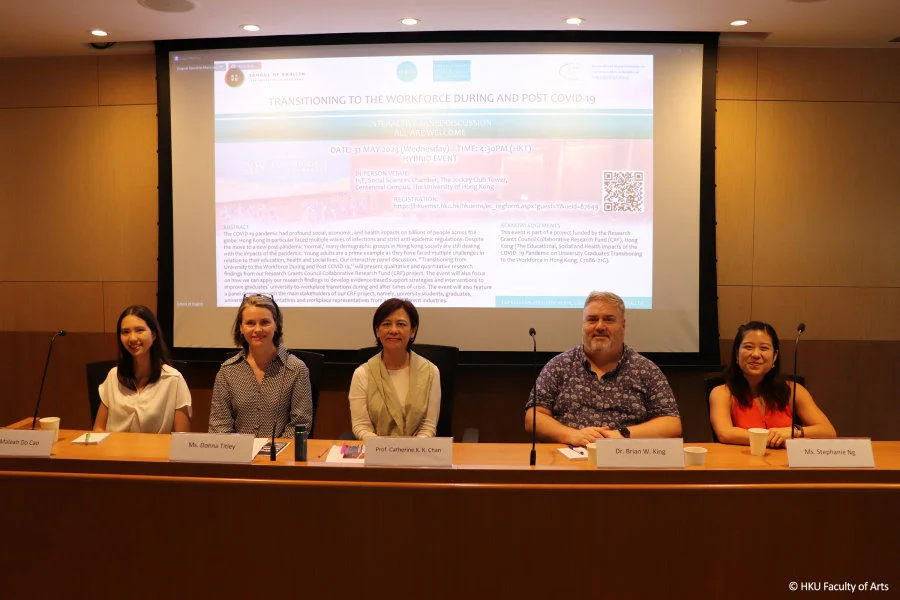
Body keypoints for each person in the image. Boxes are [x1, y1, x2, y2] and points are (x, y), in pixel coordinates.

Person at [524, 291, 681, 445]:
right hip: (568, 457)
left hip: (626, 459)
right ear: (583, 325)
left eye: (609, 320)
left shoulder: (645, 369)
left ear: (623, 325)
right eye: (592, 320)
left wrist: (620, 435)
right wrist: (571, 435)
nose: (600, 326)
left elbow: (671, 423)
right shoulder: (559, 366)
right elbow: (533, 417)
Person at [709, 321, 835, 448]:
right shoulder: (722, 392)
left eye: (764, 348)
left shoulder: (793, 390)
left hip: (786, 465)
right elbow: (725, 433)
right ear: (737, 353)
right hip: (742, 464)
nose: (756, 355)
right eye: (748, 347)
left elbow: (828, 431)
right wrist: (772, 438)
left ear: (775, 356)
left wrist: (792, 432)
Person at [208, 294, 312, 438]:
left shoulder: (296, 369)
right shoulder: (227, 371)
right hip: (238, 457)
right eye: (250, 323)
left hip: (280, 456)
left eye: (264, 322)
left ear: (276, 325)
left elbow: (301, 424)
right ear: (241, 328)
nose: (258, 329)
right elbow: (219, 425)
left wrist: (272, 454)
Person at [348, 298, 440, 439]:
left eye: (401, 324)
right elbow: (361, 426)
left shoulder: (430, 372)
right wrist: (385, 449)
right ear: (377, 331)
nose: (393, 330)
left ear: (412, 332)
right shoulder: (362, 373)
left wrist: (409, 450)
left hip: (417, 454)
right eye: (386, 324)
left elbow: (428, 426)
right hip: (376, 454)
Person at [93, 305, 192, 433]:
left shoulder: (173, 379)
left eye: (139, 330)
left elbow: (182, 438)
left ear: (154, 334)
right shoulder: (114, 376)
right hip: (115, 450)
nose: (132, 338)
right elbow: (98, 429)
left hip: (154, 452)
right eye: (125, 332)